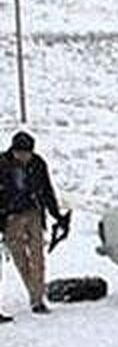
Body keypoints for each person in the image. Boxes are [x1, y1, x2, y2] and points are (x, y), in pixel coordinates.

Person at [0, 131, 66, 316]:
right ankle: (34, 292)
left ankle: (37, 299)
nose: (24, 156)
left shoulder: (38, 163)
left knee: (38, 258)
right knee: (21, 259)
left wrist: (56, 215)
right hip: (11, 217)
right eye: (20, 152)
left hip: (34, 213)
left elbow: (46, 190)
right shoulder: (2, 164)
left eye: (27, 152)